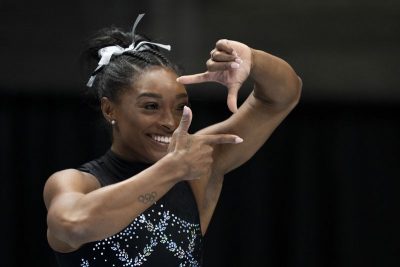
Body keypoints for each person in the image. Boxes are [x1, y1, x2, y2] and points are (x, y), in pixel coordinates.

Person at [43, 14, 302, 267]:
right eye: (151, 106)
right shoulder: (76, 182)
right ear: (110, 110)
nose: (169, 121)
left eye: (179, 107)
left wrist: (253, 60)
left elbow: (283, 96)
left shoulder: (196, 171)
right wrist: (172, 169)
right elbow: (72, 225)